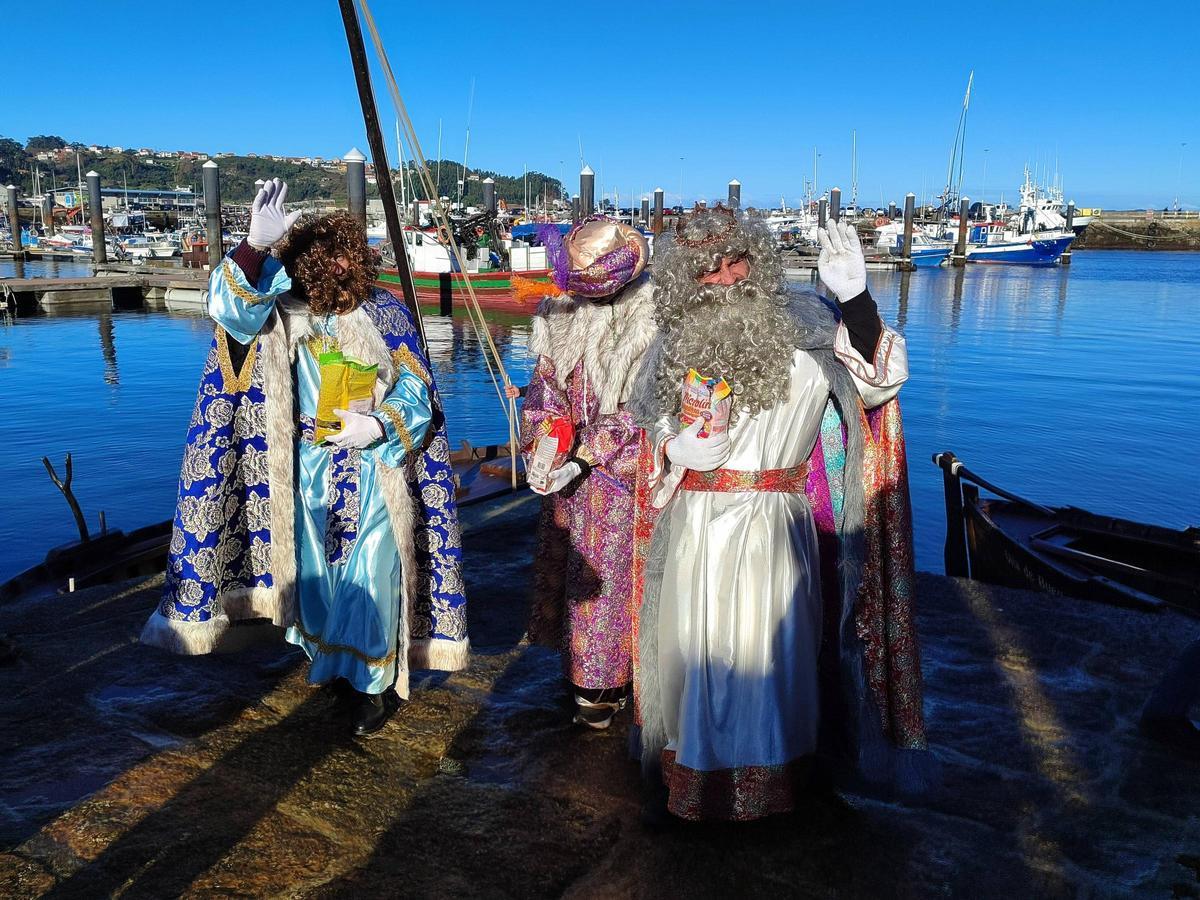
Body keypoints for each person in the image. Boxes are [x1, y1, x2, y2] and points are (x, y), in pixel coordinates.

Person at [630, 206, 936, 822]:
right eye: (704, 269)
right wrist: (672, 446)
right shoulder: (671, 342)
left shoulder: (813, 324)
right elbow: (648, 425)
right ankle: (699, 788)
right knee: (697, 653)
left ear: (758, 259)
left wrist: (856, 299)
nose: (722, 277)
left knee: (776, 656)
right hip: (694, 524)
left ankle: (778, 789)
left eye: (734, 259)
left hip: (777, 523)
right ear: (684, 279)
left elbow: (876, 386)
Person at [141, 179, 469, 736]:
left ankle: (375, 686)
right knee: (319, 581)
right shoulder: (278, 311)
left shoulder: (385, 311)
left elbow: (419, 391)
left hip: (373, 470)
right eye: (330, 255)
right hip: (305, 472)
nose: (342, 265)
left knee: (375, 573)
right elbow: (228, 310)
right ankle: (339, 673)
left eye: (349, 252)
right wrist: (252, 249)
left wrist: (379, 425)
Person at [519, 216, 656, 729]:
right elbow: (545, 385)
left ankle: (605, 684)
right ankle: (578, 671)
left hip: (623, 475)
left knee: (613, 580)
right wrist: (544, 442)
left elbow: (642, 407)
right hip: (568, 473)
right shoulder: (559, 310)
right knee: (571, 574)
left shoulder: (651, 316)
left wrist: (585, 456)